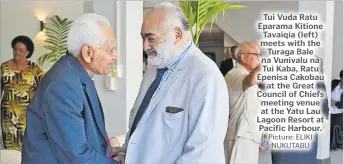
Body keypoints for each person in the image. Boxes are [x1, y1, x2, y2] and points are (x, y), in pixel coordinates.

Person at [112, 2, 229, 164]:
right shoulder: (155, 68)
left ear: (176, 35)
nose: (145, 46)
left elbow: (202, 153)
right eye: (143, 38)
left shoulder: (205, 76)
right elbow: (140, 122)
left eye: (151, 38)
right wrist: (127, 153)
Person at [21, 13, 122, 164]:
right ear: (88, 52)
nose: (115, 55)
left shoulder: (76, 74)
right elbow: (76, 156)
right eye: (110, 49)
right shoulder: (63, 84)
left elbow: (89, 138)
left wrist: (113, 153)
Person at [0, 35, 44, 151]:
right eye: (15, 49)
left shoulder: (34, 69)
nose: (17, 52)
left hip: (27, 117)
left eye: (21, 50)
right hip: (7, 117)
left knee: (27, 148)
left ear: (27, 52)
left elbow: (44, 88)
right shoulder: (4, 67)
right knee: (10, 149)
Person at [224, 41, 262, 164]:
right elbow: (250, 80)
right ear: (244, 57)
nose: (259, 58)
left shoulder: (244, 73)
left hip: (248, 134)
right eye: (256, 54)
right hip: (239, 135)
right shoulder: (234, 74)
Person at [330, 69, 343, 150]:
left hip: (339, 112)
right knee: (329, 129)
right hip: (329, 111)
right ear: (341, 78)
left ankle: (335, 145)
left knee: (336, 128)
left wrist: (334, 103)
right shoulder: (334, 83)